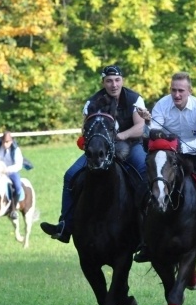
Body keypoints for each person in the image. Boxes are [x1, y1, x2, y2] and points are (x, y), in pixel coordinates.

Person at [40, 65, 148, 243]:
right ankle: (65, 225)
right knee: (70, 175)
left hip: (131, 145)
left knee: (145, 170)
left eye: (117, 80)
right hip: (101, 149)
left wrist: (120, 136)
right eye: (109, 81)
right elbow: (85, 128)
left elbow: (141, 127)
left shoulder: (134, 99)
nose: (114, 84)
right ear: (103, 82)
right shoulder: (93, 102)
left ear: (122, 80)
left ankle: (147, 228)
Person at [134, 71, 196, 262]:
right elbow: (153, 132)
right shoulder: (162, 104)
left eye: (181, 91)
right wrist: (148, 122)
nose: (176, 95)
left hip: (193, 154)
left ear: (189, 91)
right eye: (173, 90)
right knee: (140, 192)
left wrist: (180, 147)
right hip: (165, 156)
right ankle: (145, 241)